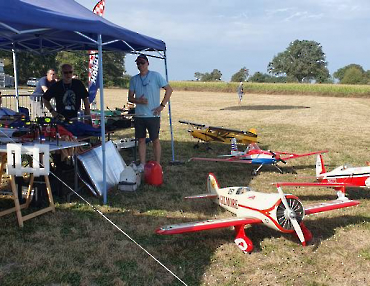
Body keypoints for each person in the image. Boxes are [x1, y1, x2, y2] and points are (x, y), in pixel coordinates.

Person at [128, 54, 173, 171]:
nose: (140, 65)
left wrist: (162, 106)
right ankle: (142, 164)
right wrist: (139, 101)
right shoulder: (134, 79)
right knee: (141, 140)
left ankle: (157, 165)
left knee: (155, 140)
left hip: (153, 115)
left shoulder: (155, 76)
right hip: (139, 115)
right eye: (138, 63)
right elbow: (130, 98)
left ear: (148, 63)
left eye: (142, 63)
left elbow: (169, 89)